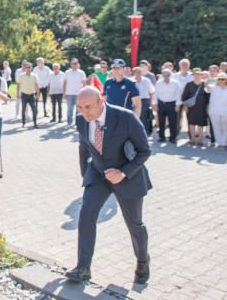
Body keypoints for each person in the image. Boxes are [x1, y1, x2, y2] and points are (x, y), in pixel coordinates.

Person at [65, 86, 151, 285]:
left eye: (88, 107)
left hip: (128, 176)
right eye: (80, 107)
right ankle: (83, 267)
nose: (84, 112)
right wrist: (86, 176)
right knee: (86, 214)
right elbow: (83, 149)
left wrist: (122, 173)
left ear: (101, 100)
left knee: (135, 224)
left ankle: (143, 261)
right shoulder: (81, 120)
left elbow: (144, 150)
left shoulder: (126, 117)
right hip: (98, 175)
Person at [204, 74, 227, 149]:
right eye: (219, 79)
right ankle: (218, 142)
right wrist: (207, 81)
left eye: (223, 79)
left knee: (225, 128)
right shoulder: (214, 87)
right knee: (216, 128)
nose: (221, 81)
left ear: (226, 80)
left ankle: (224, 143)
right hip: (214, 111)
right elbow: (207, 88)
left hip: (226, 111)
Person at [152, 70, 182, 143]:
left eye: (167, 74)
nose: (166, 76)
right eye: (164, 74)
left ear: (170, 74)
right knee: (161, 121)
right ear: (162, 75)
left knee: (173, 121)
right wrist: (155, 104)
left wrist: (178, 105)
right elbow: (156, 94)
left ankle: (172, 137)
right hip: (161, 104)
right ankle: (162, 137)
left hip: (172, 104)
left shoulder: (175, 83)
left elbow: (178, 94)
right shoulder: (159, 83)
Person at [181, 69, 209, 146]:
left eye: (198, 74)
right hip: (191, 106)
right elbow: (184, 96)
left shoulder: (204, 84)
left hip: (201, 106)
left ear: (201, 75)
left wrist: (207, 107)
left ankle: (200, 139)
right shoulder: (189, 84)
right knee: (191, 122)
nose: (197, 76)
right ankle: (192, 138)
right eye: (195, 74)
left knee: (200, 123)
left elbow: (208, 96)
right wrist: (185, 106)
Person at [173, 59, 194, 133]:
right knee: (177, 116)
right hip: (177, 98)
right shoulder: (174, 76)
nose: (184, 66)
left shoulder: (192, 76)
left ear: (189, 66)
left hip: (189, 99)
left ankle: (190, 132)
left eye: (186, 65)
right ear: (180, 66)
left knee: (190, 116)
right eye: (183, 65)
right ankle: (176, 131)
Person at [64, 58, 87, 126]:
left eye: (75, 63)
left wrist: (84, 93)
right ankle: (69, 122)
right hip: (69, 93)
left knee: (78, 110)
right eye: (72, 64)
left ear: (77, 64)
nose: (74, 65)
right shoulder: (67, 72)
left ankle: (78, 123)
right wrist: (64, 93)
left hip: (78, 94)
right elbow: (65, 83)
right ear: (70, 64)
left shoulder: (81, 73)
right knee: (69, 109)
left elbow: (84, 84)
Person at [132, 67, 154, 134]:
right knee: (134, 117)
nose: (138, 74)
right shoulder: (131, 81)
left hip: (144, 101)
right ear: (134, 73)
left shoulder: (147, 81)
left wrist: (151, 103)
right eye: (137, 72)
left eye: (139, 72)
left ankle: (144, 133)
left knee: (144, 118)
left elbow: (151, 92)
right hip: (133, 101)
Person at [17, 62, 39, 128]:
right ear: (25, 68)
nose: (28, 69)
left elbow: (36, 85)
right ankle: (23, 122)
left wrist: (37, 94)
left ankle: (35, 123)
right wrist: (18, 93)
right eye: (27, 67)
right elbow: (18, 85)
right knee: (23, 109)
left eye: (29, 67)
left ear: (32, 68)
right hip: (24, 94)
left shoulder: (34, 76)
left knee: (34, 109)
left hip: (32, 95)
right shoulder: (21, 76)